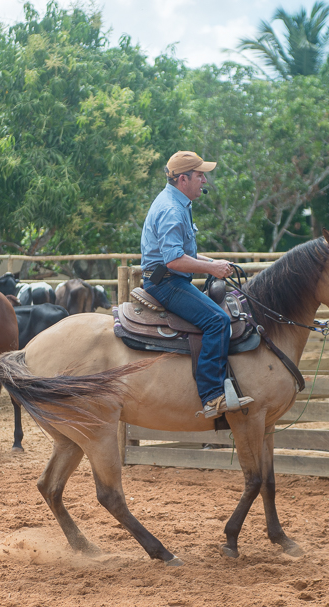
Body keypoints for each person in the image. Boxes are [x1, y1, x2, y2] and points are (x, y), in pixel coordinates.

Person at [140, 151, 254, 419]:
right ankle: (212, 396)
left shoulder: (178, 203)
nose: (204, 180)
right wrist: (212, 268)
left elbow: (183, 253)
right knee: (217, 321)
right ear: (183, 179)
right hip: (167, 282)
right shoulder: (171, 209)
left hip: (169, 277)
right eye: (200, 175)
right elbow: (174, 261)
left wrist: (212, 261)